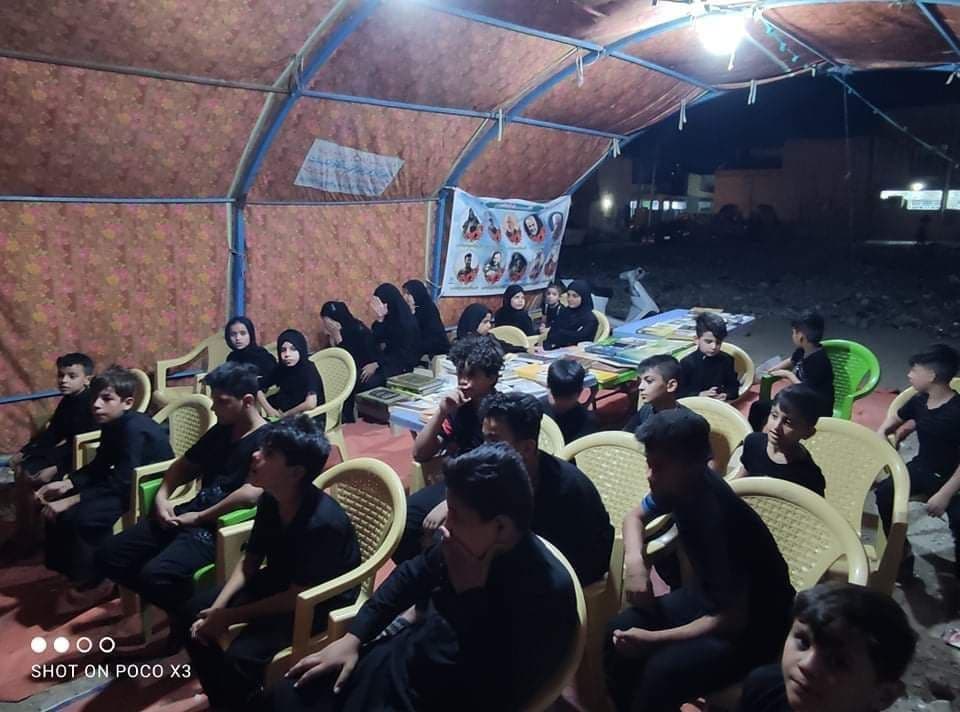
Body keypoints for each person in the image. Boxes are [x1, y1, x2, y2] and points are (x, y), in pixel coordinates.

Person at [260, 443, 578, 712]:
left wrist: (469, 597)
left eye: (457, 515)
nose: (445, 526)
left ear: (502, 527)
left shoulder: (545, 596)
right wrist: (353, 637)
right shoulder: (464, 546)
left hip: (434, 695)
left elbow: (490, 694)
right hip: (401, 662)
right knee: (288, 693)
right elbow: (409, 576)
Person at [605, 409, 796, 712]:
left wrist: (655, 639)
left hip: (755, 626)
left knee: (661, 672)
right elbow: (635, 517)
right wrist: (636, 563)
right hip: (706, 599)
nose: (649, 475)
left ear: (694, 465)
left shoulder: (718, 519)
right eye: (649, 464)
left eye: (658, 467)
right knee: (616, 631)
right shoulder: (677, 484)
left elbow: (730, 620)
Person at [183, 416, 360, 710]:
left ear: (296, 472)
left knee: (240, 657)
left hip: (319, 601)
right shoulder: (271, 498)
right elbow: (250, 561)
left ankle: (244, 700)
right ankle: (223, 697)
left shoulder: (322, 524)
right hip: (281, 582)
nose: (256, 455)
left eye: (269, 453)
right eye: (261, 447)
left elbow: (298, 595)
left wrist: (229, 616)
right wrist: (218, 608)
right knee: (193, 612)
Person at [96, 363, 268, 651]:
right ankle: (183, 612)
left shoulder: (268, 440)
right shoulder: (222, 430)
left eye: (221, 401)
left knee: (155, 575)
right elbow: (184, 465)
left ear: (247, 401)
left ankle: (186, 622)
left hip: (219, 524)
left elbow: (251, 493)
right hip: (191, 512)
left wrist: (200, 517)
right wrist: (163, 496)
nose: (214, 408)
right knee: (109, 554)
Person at [40, 366, 173, 595]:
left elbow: (123, 481)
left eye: (106, 399)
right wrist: (69, 483)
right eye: (94, 398)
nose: (96, 405)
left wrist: (72, 500)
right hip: (124, 483)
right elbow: (101, 463)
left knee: (82, 517)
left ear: (127, 403)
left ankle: (98, 580)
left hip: (144, 488)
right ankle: (72, 572)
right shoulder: (112, 424)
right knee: (59, 510)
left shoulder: (133, 429)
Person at [481, 392, 612, 585]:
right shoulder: (500, 468)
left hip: (571, 570)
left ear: (527, 448)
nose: (483, 450)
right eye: (484, 440)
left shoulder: (564, 490)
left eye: (493, 441)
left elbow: (561, 562)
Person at [396, 335, 503, 563]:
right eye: (460, 374)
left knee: (443, 535)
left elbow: (498, 474)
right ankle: (423, 574)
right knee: (401, 522)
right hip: (456, 482)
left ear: (492, 377)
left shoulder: (500, 415)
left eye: (471, 375)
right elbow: (419, 454)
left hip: (486, 490)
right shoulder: (459, 408)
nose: (463, 382)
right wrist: (442, 411)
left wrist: (451, 504)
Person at [738, 583, 917, 712]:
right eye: (804, 642)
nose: (807, 665)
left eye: (838, 661)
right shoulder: (763, 688)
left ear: (884, 695)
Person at [876, 343, 960, 579]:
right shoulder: (919, 400)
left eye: (914, 370)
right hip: (923, 467)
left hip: (953, 479)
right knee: (884, 494)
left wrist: (944, 495)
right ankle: (901, 554)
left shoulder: (956, 412)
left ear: (931, 375)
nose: (909, 375)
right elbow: (895, 419)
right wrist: (883, 432)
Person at [6, 353, 96, 556]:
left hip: (81, 457)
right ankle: (25, 531)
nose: (64, 380)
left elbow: (85, 445)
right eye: (61, 375)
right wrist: (24, 451)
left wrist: (55, 468)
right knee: (22, 469)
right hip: (67, 451)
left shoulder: (91, 404)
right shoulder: (68, 401)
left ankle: (30, 537)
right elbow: (53, 433)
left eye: (72, 376)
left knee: (31, 476)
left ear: (87, 379)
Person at [735, 385, 826, 497]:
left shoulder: (810, 476)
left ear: (808, 433)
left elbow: (813, 506)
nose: (776, 427)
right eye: (774, 415)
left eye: (788, 422)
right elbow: (741, 480)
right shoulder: (753, 442)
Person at [763, 312, 834, 420]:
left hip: (816, 408)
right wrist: (775, 368)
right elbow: (791, 360)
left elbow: (805, 390)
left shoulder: (819, 361)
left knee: (763, 410)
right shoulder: (802, 350)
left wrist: (787, 374)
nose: (792, 336)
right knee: (761, 406)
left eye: (793, 332)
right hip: (801, 400)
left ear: (801, 337)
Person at [320, 301, 379, 423]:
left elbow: (350, 359)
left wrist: (337, 336)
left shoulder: (358, 330)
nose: (326, 326)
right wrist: (333, 338)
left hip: (366, 369)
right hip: (349, 369)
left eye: (328, 322)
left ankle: (346, 417)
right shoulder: (338, 332)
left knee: (342, 381)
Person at [257, 329, 323, 421]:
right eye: (283, 350)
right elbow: (255, 385)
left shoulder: (308, 369)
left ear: (301, 349)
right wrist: (269, 409)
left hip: (309, 419)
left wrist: (286, 415)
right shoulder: (281, 368)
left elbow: (310, 404)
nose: (287, 354)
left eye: (293, 349)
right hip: (284, 415)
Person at [366, 283, 422, 389]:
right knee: (360, 376)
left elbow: (402, 354)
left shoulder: (407, 323)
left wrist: (377, 364)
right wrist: (380, 319)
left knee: (369, 382)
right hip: (387, 361)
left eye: (379, 303)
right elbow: (375, 341)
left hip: (402, 366)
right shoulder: (388, 318)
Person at [679, 312, 741, 401]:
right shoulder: (687, 363)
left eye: (718, 343)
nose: (713, 347)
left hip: (720, 403)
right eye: (708, 342)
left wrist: (726, 395)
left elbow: (733, 386)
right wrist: (699, 394)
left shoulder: (727, 359)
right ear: (696, 340)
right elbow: (679, 393)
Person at [623, 355, 685, 434]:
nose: (640, 387)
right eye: (640, 382)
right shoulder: (646, 410)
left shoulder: (687, 424)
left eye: (649, 381)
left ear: (671, 386)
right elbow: (626, 434)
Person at [545, 359, 597, 444]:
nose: (562, 402)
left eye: (568, 398)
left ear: (580, 393)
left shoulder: (586, 422)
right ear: (547, 387)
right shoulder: (537, 411)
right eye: (556, 396)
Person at [543, 279, 599, 349]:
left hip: (577, 352)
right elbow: (553, 331)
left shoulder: (590, 319)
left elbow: (581, 338)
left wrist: (562, 334)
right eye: (568, 295)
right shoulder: (565, 311)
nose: (570, 299)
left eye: (575, 296)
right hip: (553, 350)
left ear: (584, 297)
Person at [402, 279, 450, 358]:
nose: (405, 297)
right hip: (419, 347)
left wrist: (412, 314)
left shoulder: (428, 309)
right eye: (404, 293)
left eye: (408, 294)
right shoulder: (409, 309)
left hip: (434, 349)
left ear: (417, 293)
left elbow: (428, 336)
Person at [225, 316, 277, 384]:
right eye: (233, 334)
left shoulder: (263, 357)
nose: (238, 338)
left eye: (243, 333)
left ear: (250, 334)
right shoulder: (231, 358)